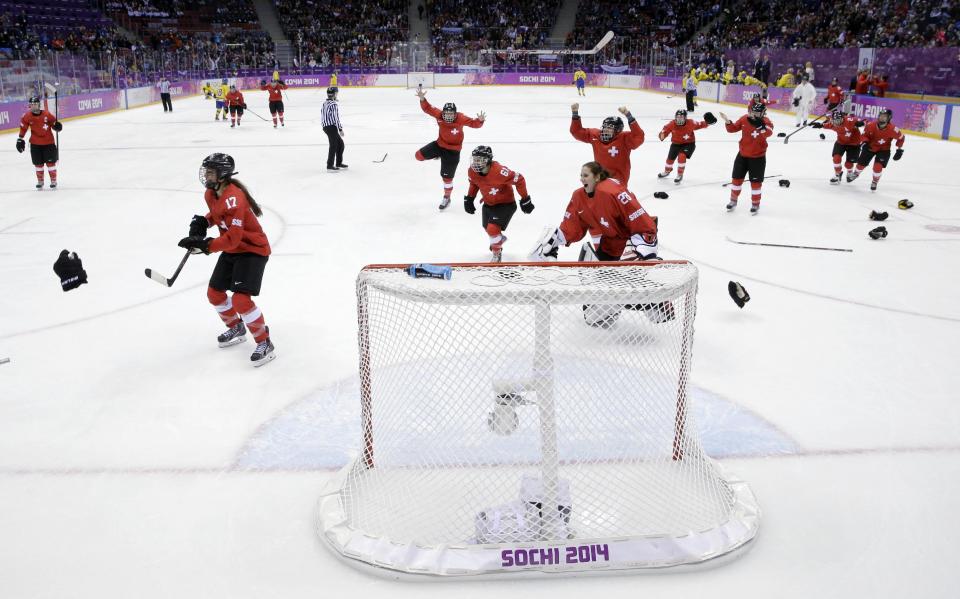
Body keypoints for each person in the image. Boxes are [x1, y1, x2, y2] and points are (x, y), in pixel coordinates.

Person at [177, 153, 276, 367]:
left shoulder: (235, 197)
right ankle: (237, 327)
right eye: (206, 171)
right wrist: (203, 222)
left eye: (211, 172)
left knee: (241, 300)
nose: (206, 175)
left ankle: (265, 342)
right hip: (233, 249)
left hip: (253, 250)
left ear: (223, 175)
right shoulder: (211, 194)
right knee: (214, 294)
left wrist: (206, 246)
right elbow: (217, 214)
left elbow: (233, 238)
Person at [414, 88, 485, 209]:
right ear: (443, 113)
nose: (448, 116)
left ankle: (447, 197)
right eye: (446, 114)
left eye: (451, 114)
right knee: (418, 156)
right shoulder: (439, 114)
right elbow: (428, 108)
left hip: (453, 152)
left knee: (447, 178)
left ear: (455, 113)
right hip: (439, 144)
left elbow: (474, 124)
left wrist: (480, 120)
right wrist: (422, 98)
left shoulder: (461, 118)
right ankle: (438, 154)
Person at [463, 146, 533, 262]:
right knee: (487, 228)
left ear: (488, 160)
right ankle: (498, 241)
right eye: (475, 159)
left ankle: (496, 253)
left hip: (505, 204)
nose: (476, 163)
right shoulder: (471, 171)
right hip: (488, 203)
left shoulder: (500, 171)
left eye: (480, 160)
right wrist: (470, 198)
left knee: (492, 229)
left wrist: (525, 199)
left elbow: (519, 179)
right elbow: (474, 183)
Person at [719, 102, 774, 214]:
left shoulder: (766, 121)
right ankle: (733, 201)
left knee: (756, 183)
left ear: (763, 113)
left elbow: (769, 133)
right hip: (742, 156)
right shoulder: (744, 118)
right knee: (736, 180)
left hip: (758, 158)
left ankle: (755, 204)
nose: (753, 114)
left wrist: (760, 126)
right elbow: (732, 129)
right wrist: (728, 121)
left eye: (757, 112)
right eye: (752, 111)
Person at [570, 104, 644, 185]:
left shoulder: (624, 138)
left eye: (609, 128)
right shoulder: (595, 135)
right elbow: (577, 132)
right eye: (604, 127)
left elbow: (639, 137)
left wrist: (628, 115)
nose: (605, 130)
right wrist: (575, 113)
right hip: (599, 177)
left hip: (618, 180)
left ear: (618, 130)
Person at [847, 109, 904, 191]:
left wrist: (899, 149)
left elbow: (901, 138)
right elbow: (864, 135)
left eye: (884, 117)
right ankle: (856, 173)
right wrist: (865, 142)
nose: (882, 118)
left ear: (889, 118)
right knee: (860, 164)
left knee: (877, 167)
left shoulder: (893, 129)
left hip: (884, 150)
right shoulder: (870, 125)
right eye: (881, 116)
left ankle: (875, 181)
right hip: (870, 147)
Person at [657, 109, 716, 183]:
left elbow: (700, 125)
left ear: (685, 118)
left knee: (682, 156)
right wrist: (662, 135)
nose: (679, 119)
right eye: (678, 117)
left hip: (689, 144)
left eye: (681, 117)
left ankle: (680, 174)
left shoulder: (691, 123)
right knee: (670, 159)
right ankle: (667, 171)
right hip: (675, 144)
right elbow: (663, 134)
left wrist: (708, 122)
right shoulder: (671, 124)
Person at [16, 95, 62, 190]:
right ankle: (40, 181)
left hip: (48, 143)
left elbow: (54, 124)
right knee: (38, 164)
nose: (33, 106)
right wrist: (20, 139)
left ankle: (53, 180)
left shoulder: (47, 114)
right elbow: (23, 128)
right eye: (31, 104)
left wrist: (57, 126)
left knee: (50, 164)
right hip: (35, 144)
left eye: (35, 104)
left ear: (39, 105)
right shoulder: (27, 116)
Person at [812, 110, 864, 184]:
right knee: (836, 158)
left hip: (854, 144)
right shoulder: (833, 123)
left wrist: (860, 123)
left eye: (838, 121)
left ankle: (849, 173)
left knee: (848, 164)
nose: (836, 123)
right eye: (835, 121)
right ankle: (838, 174)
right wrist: (820, 125)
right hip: (841, 142)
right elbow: (828, 125)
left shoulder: (849, 120)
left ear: (843, 118)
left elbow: (862, 121)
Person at [321, 86, 346, 171]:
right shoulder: (333, 104)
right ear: (334, 94)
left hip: (326, 127)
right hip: (331, 127)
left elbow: (322, 114)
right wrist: (340, 129)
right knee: (334, 146)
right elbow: (336, 118)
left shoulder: (325, 103)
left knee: (340, 144)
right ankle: (330, 165)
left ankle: (338, 163)